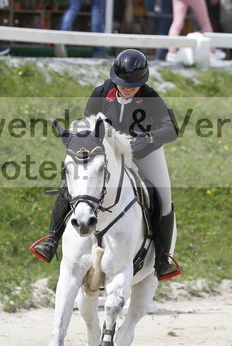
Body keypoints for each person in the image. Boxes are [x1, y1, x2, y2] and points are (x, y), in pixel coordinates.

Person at [31, 49, 182, 281]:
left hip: (142, 153)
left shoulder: (151, 96)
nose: (128, 89)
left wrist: (149, 137)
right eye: (124, 84)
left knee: (163, 198)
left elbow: (171, 129)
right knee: (72, 186)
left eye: (134, 85)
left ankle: (162, 259)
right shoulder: (101, 93)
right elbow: (88, 126)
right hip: (107, 155)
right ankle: (51, 239)